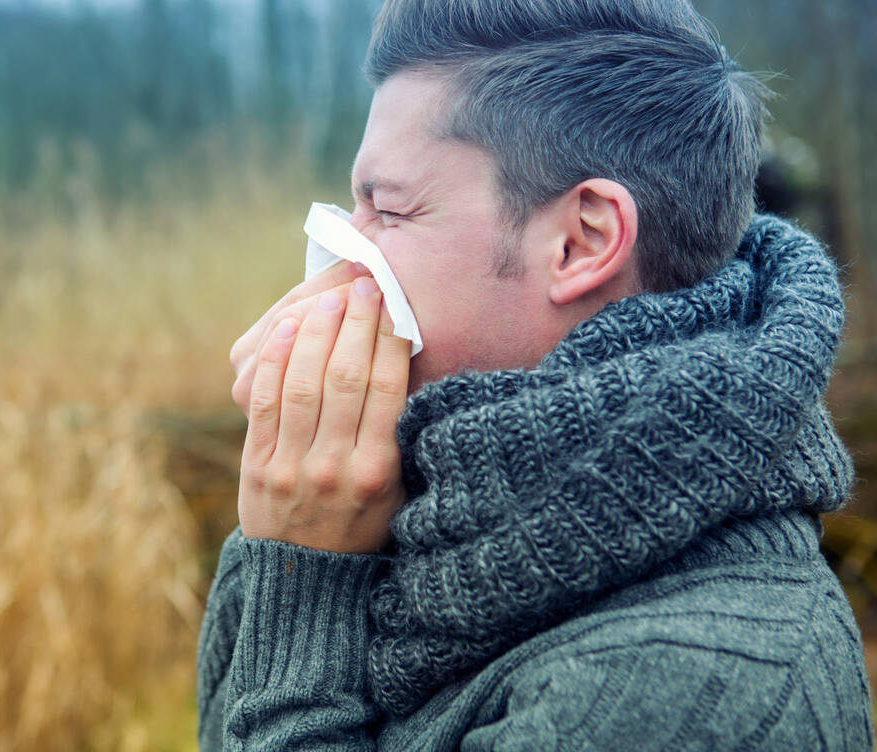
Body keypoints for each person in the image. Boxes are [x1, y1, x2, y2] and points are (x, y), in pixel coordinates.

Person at [197, 0, 874, 748]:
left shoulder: (682, 692)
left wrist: (303, 584)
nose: (342, 258)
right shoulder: (440, 514)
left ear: (581, 242)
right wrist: (295, 509)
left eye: (387, 211)